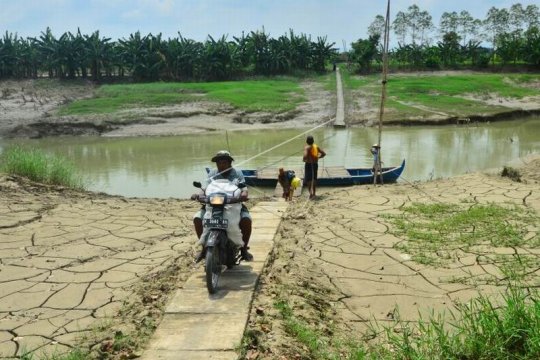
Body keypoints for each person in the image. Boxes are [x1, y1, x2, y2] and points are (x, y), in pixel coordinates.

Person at [192, 150, 253, 262]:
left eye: (224, 162)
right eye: (219, 162)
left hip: (233, 203)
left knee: (246, 220)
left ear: (229, 163)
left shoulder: (237, 173)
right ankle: (204, 249)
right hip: (213, 204)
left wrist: (243, 195)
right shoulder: (212, 173)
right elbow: (206, 189)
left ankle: (244, 249)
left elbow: (244, 188)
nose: (221, 165)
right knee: (197, 218)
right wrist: (198, 195)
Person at [303, 135, 326, 199]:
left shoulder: (307, 148)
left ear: (307, 141)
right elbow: (324, 154)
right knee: (314, 179)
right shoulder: (316, 147)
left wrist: (304, 159)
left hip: (308, 165)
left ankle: (310, 194)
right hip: (315, 164)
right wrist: (318, 157)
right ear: (313, 141)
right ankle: (314, 194)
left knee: (308, 180)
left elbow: (305, 156)